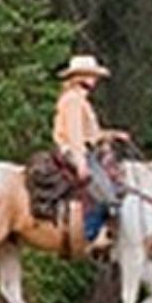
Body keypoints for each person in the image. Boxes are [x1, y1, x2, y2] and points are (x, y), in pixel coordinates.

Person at [52, 54, 126, 254]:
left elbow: (90, 133)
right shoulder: (74, 101)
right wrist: (81, 162)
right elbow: (76, 134)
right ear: (81, 77)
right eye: (91, 75)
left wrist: (112, 134)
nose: (95, 80)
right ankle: (91, 235)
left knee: (113, 184)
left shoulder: (78, 100)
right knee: (107, 195)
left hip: (82, 149)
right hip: (76, 152)